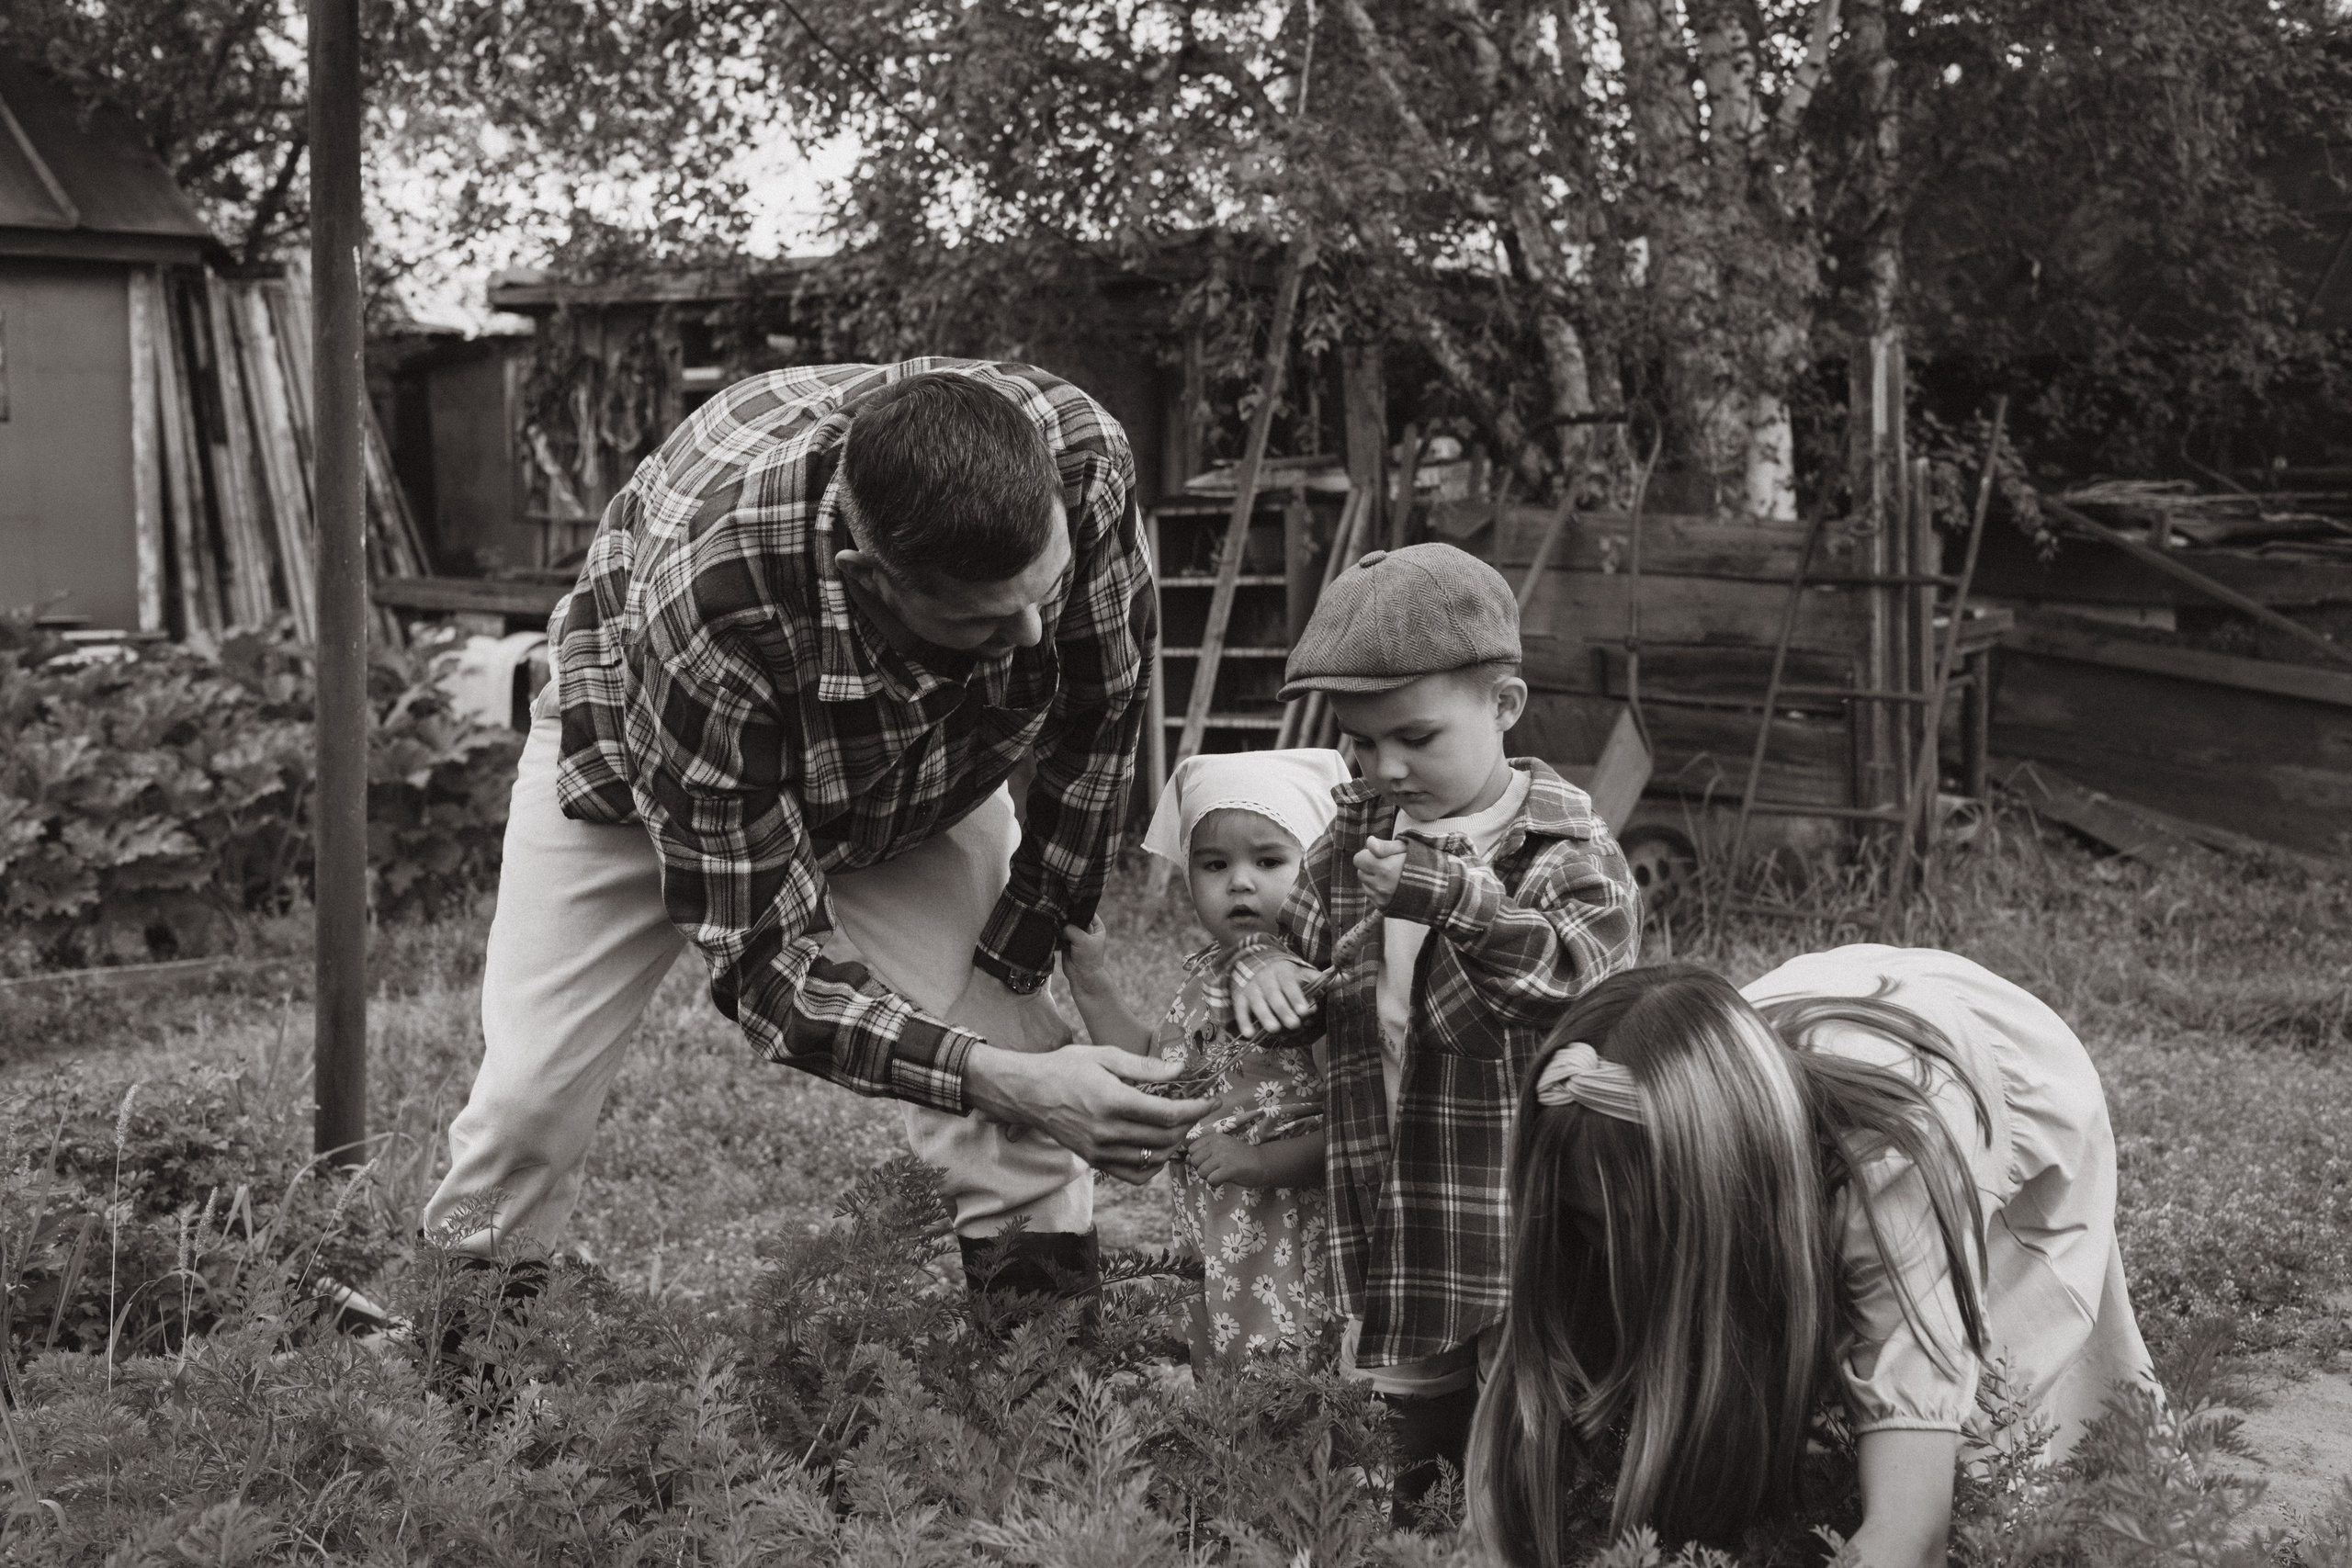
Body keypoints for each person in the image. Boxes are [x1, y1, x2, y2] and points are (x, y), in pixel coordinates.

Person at [422, 360, 1213, 1309]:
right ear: (867, 580)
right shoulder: (705, 607)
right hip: (654, 760)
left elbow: (1101, 701)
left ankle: (1045, 1416)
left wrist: (1015, 974)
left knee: (1026, 1099)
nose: (1036, 635)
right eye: (984, 619)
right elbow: (766, 971)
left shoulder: (1080, 456)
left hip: (919, 764)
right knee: (524, 1107)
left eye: (1043, 590)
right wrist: (991, 1076)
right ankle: (464, 1374)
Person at [1469, 947, 2157, 1568]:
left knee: (1986, 1465)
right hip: (1799, 1032)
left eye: (1644, 1229)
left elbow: (1910, 1533)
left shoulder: (1895, 1176)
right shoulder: (1633, 1127)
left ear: (1722, 1190)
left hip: (1998, 1079)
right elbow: (1527, 1433)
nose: (1614, 1261)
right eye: (1593, 1224)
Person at [1226, 544, 1642, 1523]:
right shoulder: (1354, 837)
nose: (1386, 768)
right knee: (1396, 1449)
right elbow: (1311, 949)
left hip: (1527, 1216)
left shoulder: (1567, 849)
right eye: (1359, 744)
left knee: (1531, 1446)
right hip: (1400, 1209)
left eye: (1414, 735)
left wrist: (1451, 897)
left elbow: (1570, 988)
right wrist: (1270, 966)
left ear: (1504, 705)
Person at [1060, 748, 1352, 1370]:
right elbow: (1157, 1065)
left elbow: (1355, 1131)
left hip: (1288, 1241)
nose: (1239, 881)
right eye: (1214, 863)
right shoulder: (1203, 979)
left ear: (1317, 866)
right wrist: (1092, 982)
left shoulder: (1309, 989)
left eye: (1269, 860)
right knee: (1226, 1385)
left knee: (1291, 1390)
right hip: (1217, 1240)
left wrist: (1256, 1161)